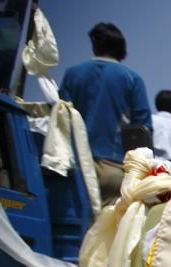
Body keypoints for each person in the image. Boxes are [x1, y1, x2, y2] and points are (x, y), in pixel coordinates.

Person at [59, 23, 151, 205]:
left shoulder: (72, 74)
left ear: (95, 43)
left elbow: (61, 118)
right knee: (110, 229)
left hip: (78, 166)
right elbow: (143, 128)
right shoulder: (131, 78)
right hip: (115, 167)